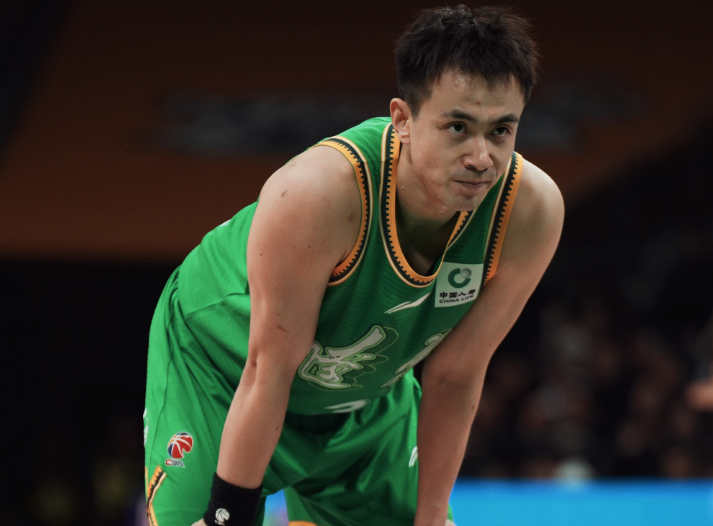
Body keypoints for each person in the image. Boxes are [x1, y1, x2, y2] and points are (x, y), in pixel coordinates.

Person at [143, 5, 564, 526]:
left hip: (362, 388)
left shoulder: (530, 213)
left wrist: (432, 516)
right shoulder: (314, 194)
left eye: (501, 131)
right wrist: (225, 516)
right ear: (403, 120)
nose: (481, 157)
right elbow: (268, 369)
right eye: (458, 127)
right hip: (223, 373)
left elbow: (456, 376)